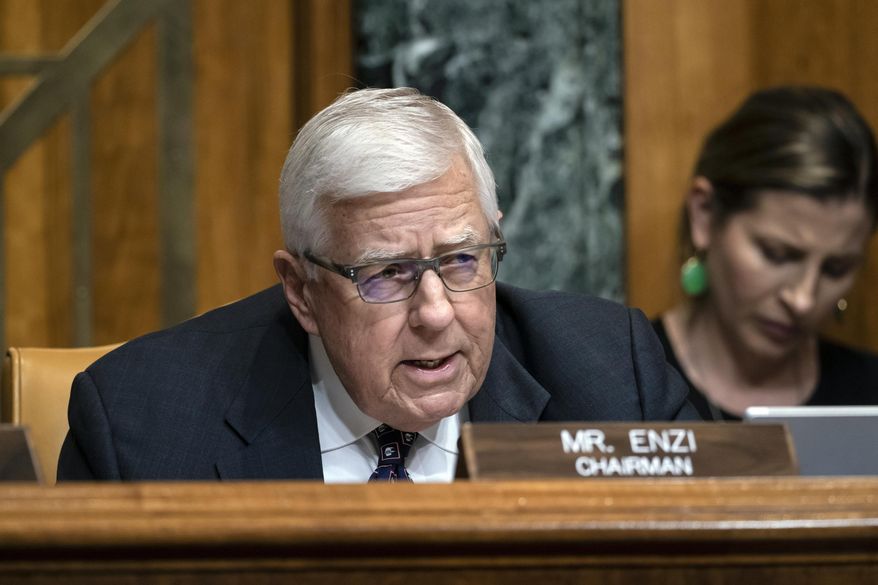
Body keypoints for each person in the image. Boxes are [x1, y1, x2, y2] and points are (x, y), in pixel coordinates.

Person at [58, 87, 696, 483]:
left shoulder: (614, 376)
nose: (436, 313)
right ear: (301, 290)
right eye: (388, 273)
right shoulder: (142, 424)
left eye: (461, 259)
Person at [654, 86, 878, 421]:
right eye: (777, 254)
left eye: (835, 268)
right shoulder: (624, 386)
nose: (802, 299)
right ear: (705, 214)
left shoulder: (868, 395)